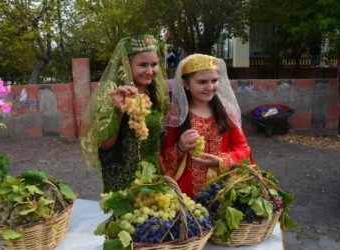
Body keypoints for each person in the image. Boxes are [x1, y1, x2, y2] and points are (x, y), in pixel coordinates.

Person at [80, 35, 169, 192]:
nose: (150, 71)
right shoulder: (112, 93)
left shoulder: (157, 91)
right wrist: (119, 112)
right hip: (124, 180)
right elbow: (105, 144)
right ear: (126, 65)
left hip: (153, 175)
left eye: (154, 64)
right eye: (142, 65)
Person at [160, 54, 252, 199]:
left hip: (224, 190)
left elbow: (243, 149)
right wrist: (180, 148)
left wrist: (220, 160)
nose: (210, 87)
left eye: (214, 80)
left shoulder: (226, 111)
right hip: (186, 194)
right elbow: (163, 155)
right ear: (186, 84)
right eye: (202, 82)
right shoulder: (176, 115)